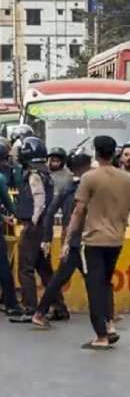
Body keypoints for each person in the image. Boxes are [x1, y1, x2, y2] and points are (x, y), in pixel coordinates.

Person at [64, 136, 130, 349]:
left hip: (93, 239)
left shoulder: (89, 178)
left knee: (94, 287)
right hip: (117, 239)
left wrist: (68, 238)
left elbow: (78, 211)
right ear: (115, 153)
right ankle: (109, 325)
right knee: (106, 283)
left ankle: (101, 335)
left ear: (96, 153)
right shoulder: (127, 179)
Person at [31, 153, 94, 329]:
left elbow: (50, 212)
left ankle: (40, 312)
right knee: (95, 278)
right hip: (83, 238)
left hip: (72, 237)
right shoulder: (87, 187)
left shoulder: (69, 187)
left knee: (61, 278)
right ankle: (106, 316)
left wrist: (48, 237)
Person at [10, 137, 67, 323]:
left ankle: (30, 308)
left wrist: (33, 220)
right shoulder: (46, 173)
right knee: (44, 269)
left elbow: (39, 199)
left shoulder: (34, 174)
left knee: (25, 268)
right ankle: (59, 306)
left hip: (34, 226)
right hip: (45, 227)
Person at [0, 143, 21, 318]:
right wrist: (18, 215)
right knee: (3, 265)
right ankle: (11, 303)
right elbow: (9, 203)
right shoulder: (0, 178)